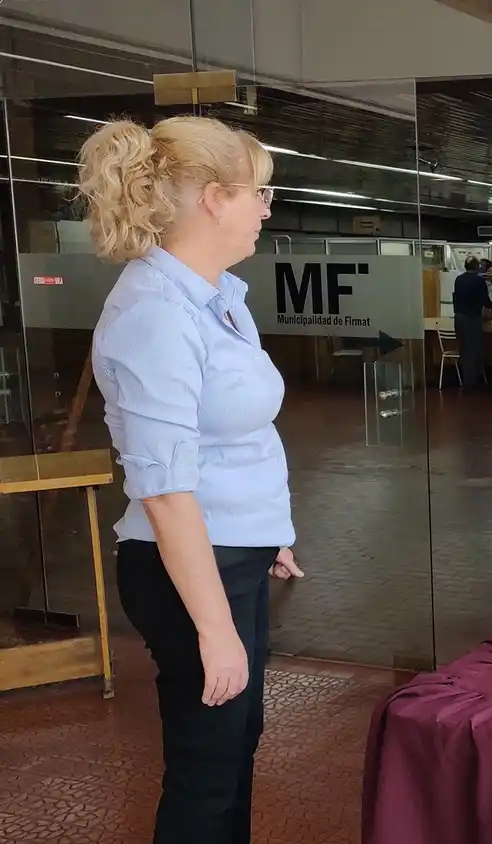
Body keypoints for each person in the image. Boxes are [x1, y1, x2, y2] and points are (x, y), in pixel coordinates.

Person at [79, 115, 305, 844]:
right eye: (260, 194)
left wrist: (268, 532)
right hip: (185, 567)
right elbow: (166, 488)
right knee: (206, 770)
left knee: (235, 745)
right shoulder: (154, 313)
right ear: (214, 197)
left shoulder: (216, 299)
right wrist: (214, 627)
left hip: (228, 553)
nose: (267, 210)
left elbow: (235, 436)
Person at [451, 256, 492, 392]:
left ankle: (465, 381)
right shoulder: (479, 281)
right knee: (473, 350)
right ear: (476, 267)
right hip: (471, 318)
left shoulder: (458, 279)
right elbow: (485, 301)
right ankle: (470, 383)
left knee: (463, 350)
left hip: (458, 317)